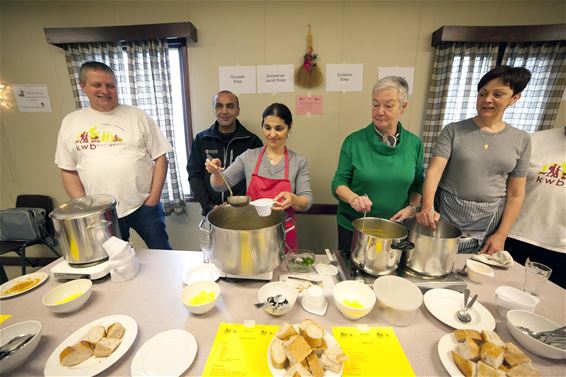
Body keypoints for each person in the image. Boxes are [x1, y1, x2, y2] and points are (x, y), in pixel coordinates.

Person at [55, 61, 173, 250]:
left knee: (162, 251)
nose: (105, 90)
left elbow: (161, 157)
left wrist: (153, 199)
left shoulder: (137, 116)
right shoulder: (71, 122)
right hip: (100, 212)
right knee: (114, 260)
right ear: (83, 86)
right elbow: (68, 169)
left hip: (143, 205)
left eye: (110, 85)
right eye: (97, 85)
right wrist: (87, 208)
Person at [417, 65, 532, 255]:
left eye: (498, 94)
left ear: (514, 98)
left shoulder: (521, 139)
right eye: (482, 93)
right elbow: (434, 171)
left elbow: (516, 193)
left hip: (489, 220)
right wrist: (427, 207)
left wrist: (502, 235)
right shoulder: (453, 130)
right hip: (446, 211)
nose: (487, 100)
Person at [331, 76, 424, 259]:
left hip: (395, 230)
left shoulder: (414, 144)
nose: (379, 111)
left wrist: (412, 208)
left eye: (388, 106)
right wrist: (353, 198)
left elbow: (418, 185)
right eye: (375, 104)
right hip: (355, 228)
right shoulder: (354, 141)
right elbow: (338, 182)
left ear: (403, 106)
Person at [205, 103, 312, 251]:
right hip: (252, 232)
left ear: (290, 127)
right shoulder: (249, 157)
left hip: (283, 233)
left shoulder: (298, 162)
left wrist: (293, 199)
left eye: (279, 128)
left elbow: (306, 201)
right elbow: (220, 185)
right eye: (267, 127)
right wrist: (215, 172)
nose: (272, 134)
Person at [505, 126, 565, 289]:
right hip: (515, 235)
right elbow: (507, 188)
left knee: (549, 304)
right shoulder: (532, 140)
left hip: (560, 247)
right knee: (497, 289)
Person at [187, 91, 263, 215]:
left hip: (244, 213)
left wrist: (240, 205)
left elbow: (258, 181)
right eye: (219, 106)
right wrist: (209, 207)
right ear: (214, 109)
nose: (224, 111)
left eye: (230, 106)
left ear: (238, 110)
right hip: (212, 212)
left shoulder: (252, 142)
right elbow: (195, 176)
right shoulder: (201, 140)